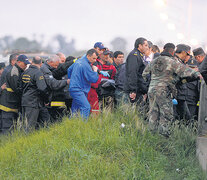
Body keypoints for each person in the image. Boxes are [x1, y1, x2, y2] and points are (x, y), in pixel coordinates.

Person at [142, 46, 201, 137]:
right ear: (172, 52)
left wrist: (153, 82)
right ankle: (163, 137)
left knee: (153, 113)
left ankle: (151, 136)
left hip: (152, 89)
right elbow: (185, 71)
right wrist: (198, 74)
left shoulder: (154, 61)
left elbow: (144, 74)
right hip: (163, 90)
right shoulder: (172, 62)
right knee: (166, 115)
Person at [0, 55, 30, 134]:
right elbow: (17, 88)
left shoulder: (18, 71)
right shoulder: (14, 72)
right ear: (19, 62)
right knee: (7, 129)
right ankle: (5, 145)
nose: (26, 66)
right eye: (25, 64)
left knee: (12, 128)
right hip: (8, 105)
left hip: (12, 104)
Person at [68, 49, 99, 119]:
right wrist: (95, 71)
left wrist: (71, 80)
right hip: (79, 90)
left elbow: (69, 69)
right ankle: (82, 126)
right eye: (93, 58)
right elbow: (93, 79)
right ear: (88, 56)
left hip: (74, 88)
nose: (95, 60)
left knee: (75, 110)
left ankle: (71, 125)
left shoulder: (78, 61)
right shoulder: (86, 65)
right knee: (86, 107)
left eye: (96, 58)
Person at [22, 56, 49, 131]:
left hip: (25, 101)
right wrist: (46, 100)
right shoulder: (38, 73)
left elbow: (20, 86)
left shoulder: (25, 72)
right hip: (34, 102)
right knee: (30, 127)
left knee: (26, 123)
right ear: (41, 64)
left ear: (32, 62)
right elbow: (42, 88)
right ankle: (27, 141)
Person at [40, 55, 70, 122]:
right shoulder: (45, 70)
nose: (56, 68)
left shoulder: (47, 68)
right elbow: (53, 84)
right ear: (50, 62)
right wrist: (66, 81)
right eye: (55, 65)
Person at [124, 37, 148, 104]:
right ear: (140, 46)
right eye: (145, 45)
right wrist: (133, 90)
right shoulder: (134, 55)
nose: (147, 48)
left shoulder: (139, 55)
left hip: (139, 88)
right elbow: (132, 73)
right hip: (135, 90)